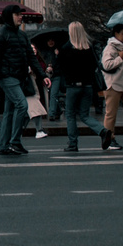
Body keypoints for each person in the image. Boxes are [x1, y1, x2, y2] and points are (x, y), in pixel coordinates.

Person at [0, 15, 41, 156]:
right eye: (17, 14)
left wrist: (43, 75)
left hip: (19, 77)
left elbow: (31, 57)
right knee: (22, 105)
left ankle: (4, 145)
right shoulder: (1, 34)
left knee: (9, 111)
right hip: (7, 77)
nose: (21, 17)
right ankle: (15, 142)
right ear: (10, 16)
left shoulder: (22, 35)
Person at [51, 21, 105, 153]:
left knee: (70, 115)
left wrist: (58, 57)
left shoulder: (65, 49)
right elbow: (94, 67)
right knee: (85, 115)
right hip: (87, 86)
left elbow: (60, 69)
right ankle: (102, 130)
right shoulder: (89, 48)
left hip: (72, 86)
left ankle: (73, 143)